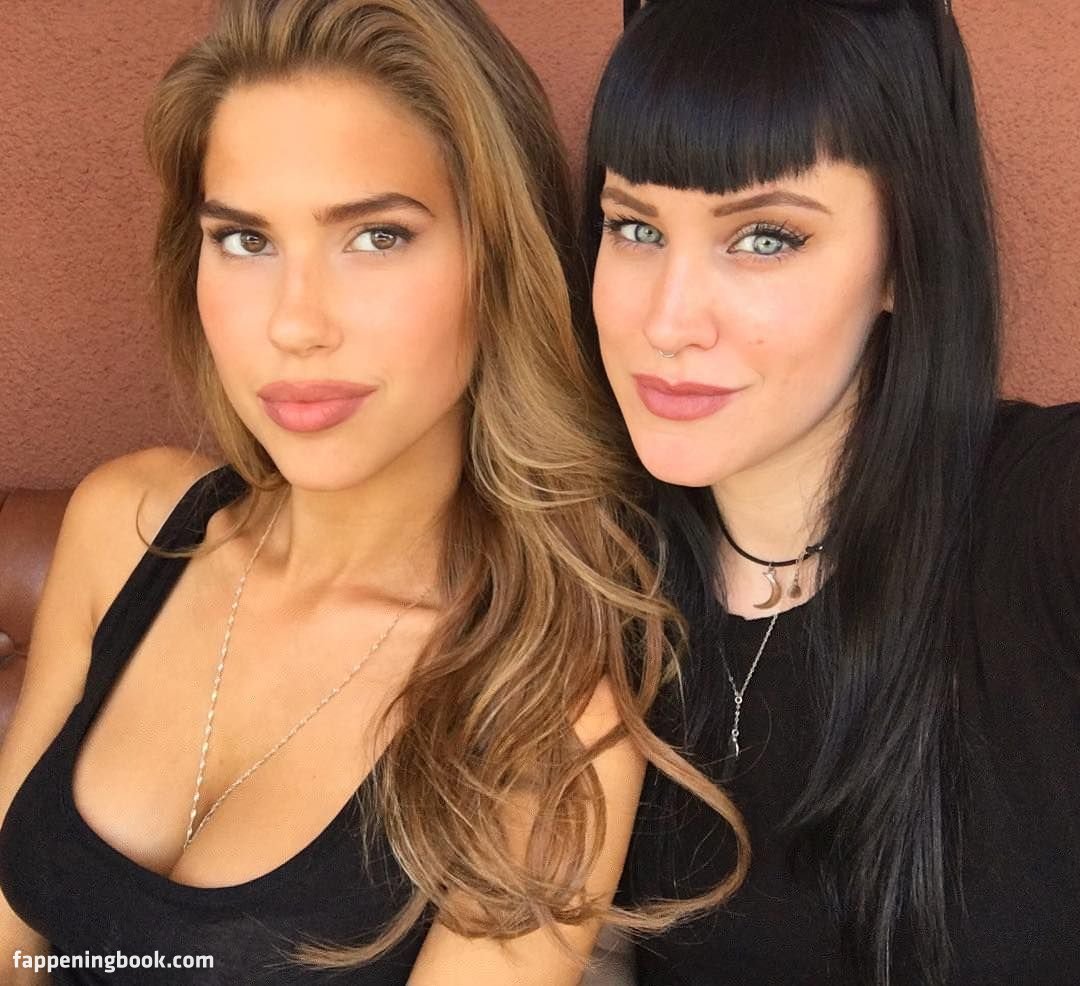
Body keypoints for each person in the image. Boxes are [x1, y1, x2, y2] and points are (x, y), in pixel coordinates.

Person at [0, 0, 745, 982]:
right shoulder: (125, 526)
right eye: (245, 240)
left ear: (495, 260)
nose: (295, 322)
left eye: (376, 237)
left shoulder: (544, 700)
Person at [582, 1, 1080, 984]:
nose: (667, 321)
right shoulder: (589, 577)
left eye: (765, 238)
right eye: (635, 226)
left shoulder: (1042, 519)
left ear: (903, 254)